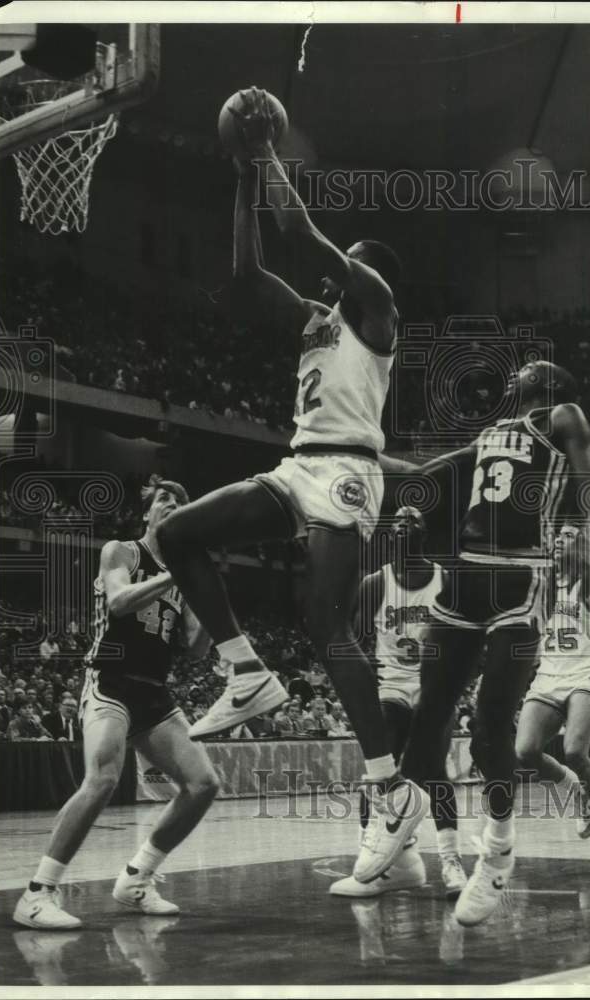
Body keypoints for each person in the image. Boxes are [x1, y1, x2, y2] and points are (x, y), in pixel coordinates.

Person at [158, 87, 425, 843]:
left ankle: (388, 785)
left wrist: (265, 148)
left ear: (366, 273)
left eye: (348, 263)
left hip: (346, 471)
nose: (333, 274)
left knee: (325, 625)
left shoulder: (375, 310)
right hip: (295, 465)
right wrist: (243, 177)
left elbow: (301, 234)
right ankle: (246, 670)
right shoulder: (317, 320)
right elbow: (246, 273)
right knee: (178, 534)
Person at [356, 360, 590, 926]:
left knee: (492, 726)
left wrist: (589, 535)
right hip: (465, 574)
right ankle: (403, 841)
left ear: (548, 382)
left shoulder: (560, 417)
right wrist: (369, 460)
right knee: (427, 726)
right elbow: (433, 470)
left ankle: (495, 853)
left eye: (530, 369)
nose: (518, 371)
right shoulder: (488, 436)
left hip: (522, 575)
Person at [13, 475, 219, 930]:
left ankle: (136, 879)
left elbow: (196, 647)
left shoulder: (182, 574)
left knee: (203, 784)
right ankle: (37, 893)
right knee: (102, 778)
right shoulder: (122, 551)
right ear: (147, 511)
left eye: (180, 500)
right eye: (163, 498)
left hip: (154, 691)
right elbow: (122, 600)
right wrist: (177, 575)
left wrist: (209, 597)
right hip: (110, 679)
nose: (171, 503)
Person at [330, 507, 466, 899]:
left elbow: (464, 636)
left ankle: (451, 862)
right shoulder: (376, 583)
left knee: (435, 771)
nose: (403, 524)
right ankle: (372, 860)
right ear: (390, 536)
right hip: (391, 685)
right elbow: (350, 639)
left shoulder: (444, 579)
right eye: (398, 522)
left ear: (424, 533)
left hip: (433, 687)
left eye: (412, 521)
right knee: (377, 774)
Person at [515, 524, 590, 870]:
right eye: (556, 536)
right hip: (548, 676)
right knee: (525, 751)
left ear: (582, 546)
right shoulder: (542, 586)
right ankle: (575, 789)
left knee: (574, 751)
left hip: (584, 672)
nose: (558, 540)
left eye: (568, 536)